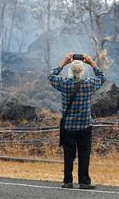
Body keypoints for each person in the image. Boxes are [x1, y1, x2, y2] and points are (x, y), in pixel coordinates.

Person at [48, 52, 105, 189]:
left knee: (69, 155)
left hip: (68, 126)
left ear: (70, 70)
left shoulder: (64, 84)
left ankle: (68, 181)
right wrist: (92, 63)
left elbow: (51, 77)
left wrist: (63, 62)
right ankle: (84, 182)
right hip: (85, 126)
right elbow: (102, 77)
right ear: (83, 70)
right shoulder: (89, 84)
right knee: (84, 154)